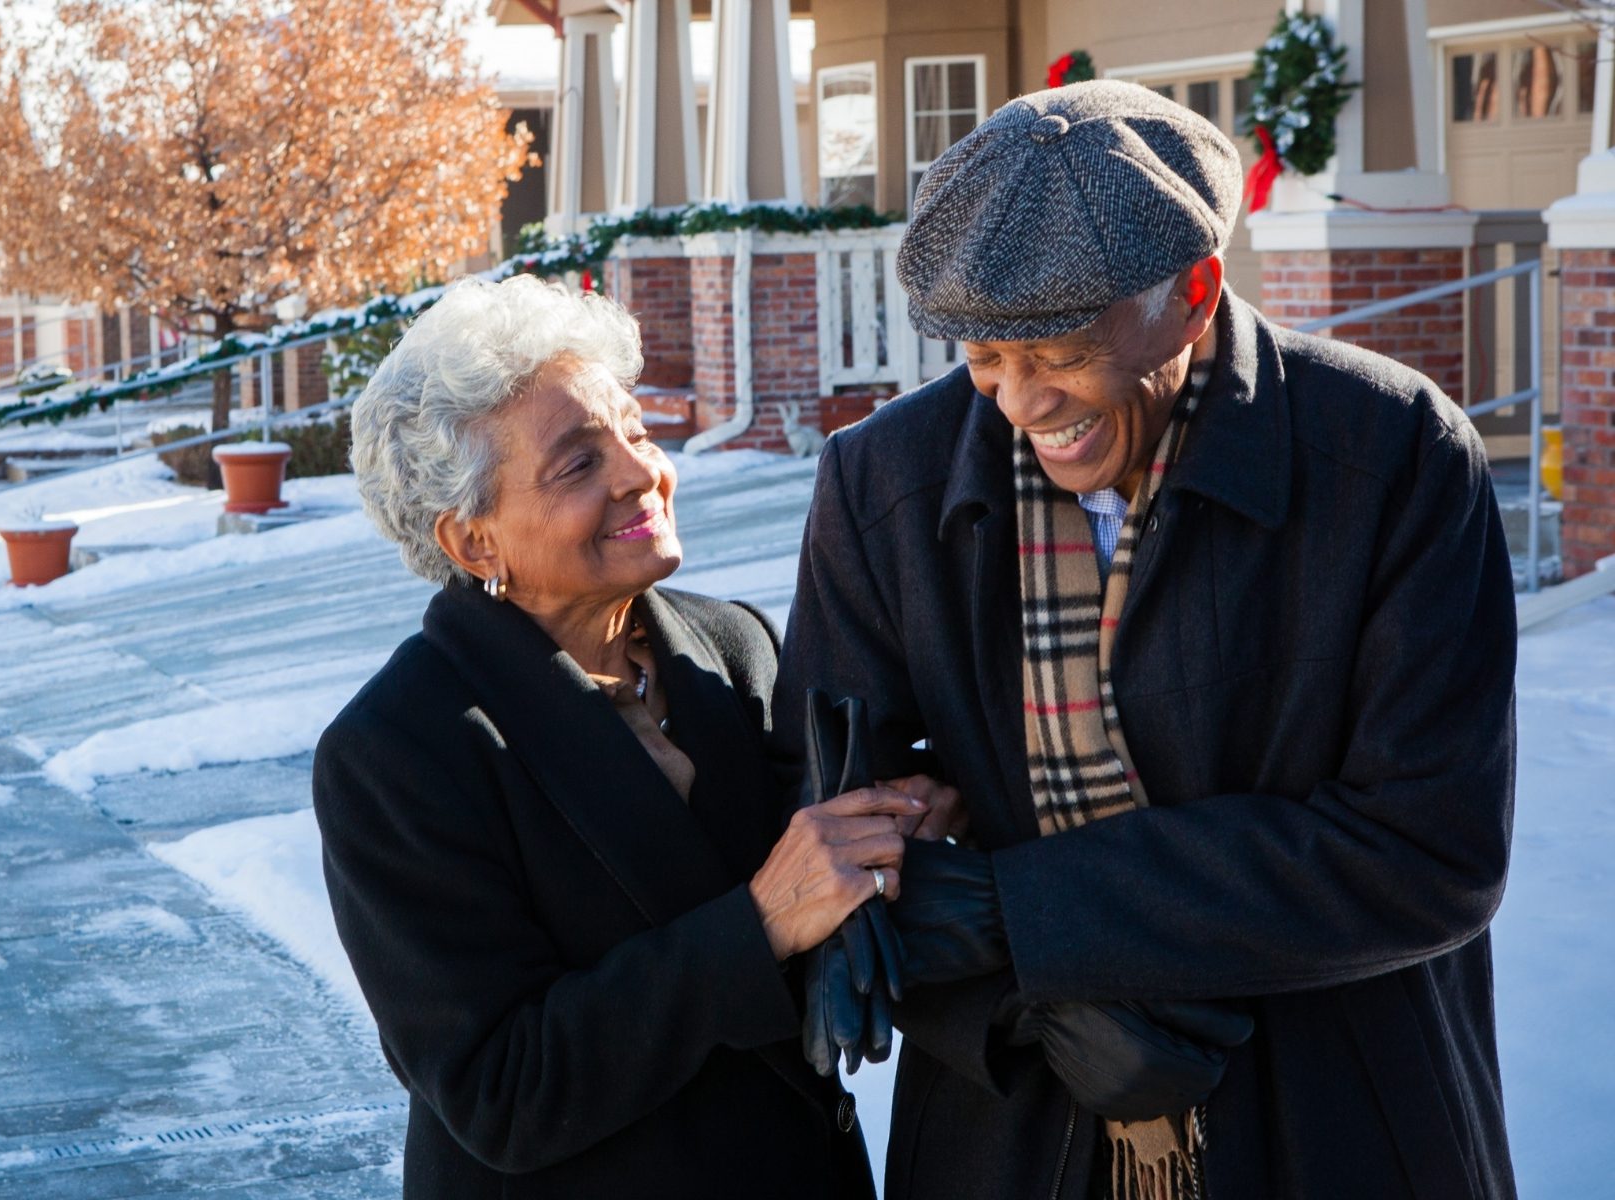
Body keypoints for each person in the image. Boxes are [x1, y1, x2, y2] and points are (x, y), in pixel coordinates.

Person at [775, 80, 1517, 1200]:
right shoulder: (882, 484)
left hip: (1337, 1113)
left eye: (1062, 353)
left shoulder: (1397, 455)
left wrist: (1021, 913)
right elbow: (827, 828)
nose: (1021, 403)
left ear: (1195, 291)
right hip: (1013, 1133)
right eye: (984, 356)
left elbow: (1432, 852)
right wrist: (1016, 1001)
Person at [314, 274, 951, 1199]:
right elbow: (502, 1090)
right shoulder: (397, 753)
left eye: (638, 431)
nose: (639, 472)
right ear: (472, 543)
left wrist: (893, 830)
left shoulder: (730, 647)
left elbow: (811, 913)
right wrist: (761, 920)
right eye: (578, 463)